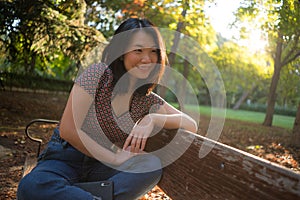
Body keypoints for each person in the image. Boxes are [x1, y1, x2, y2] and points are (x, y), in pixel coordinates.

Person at [17, 18, 198, 200]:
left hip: (102, 170)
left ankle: (71, 194)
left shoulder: (146, 100)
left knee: (151, 165)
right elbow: (69, 130)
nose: (147, 58)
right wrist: (115, 159)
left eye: (154, 51)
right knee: (31, 186)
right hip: (65, 159)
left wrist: (153, 119)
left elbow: (191, 125)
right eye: (138, 50)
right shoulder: (98, 75)